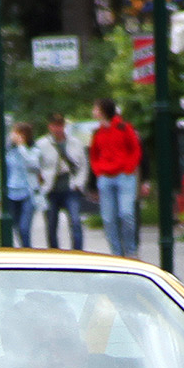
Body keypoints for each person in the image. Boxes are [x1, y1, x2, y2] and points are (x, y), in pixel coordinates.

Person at [88, 97, 142, 258]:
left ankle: (131, 250)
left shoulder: (124, 128)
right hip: (105, 178)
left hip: (124, 177)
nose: (93, 111)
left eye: (95, 108)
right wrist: (98, 170)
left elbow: (135, 149)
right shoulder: (98, 132)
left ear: (103, 110)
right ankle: (116, 254)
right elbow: (94, 154)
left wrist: (128, 168)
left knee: (126, 214)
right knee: (108, 219)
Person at [33, 113, 86, 250]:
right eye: (55, 126)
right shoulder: (42, 144)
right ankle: (54, 252)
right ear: (50, 127)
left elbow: (83, 165)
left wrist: (79, 183)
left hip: (70, 186)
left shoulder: (75, 143)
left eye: (60, 125)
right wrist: (41, 183)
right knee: (51, 223)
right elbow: (36, 166)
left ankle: (78, 252)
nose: (58, 129)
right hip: (51, 188)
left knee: (75, 221)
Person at [0, 121, 38, 247]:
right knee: (15, 228)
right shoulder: (9, 151)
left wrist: (22, 146)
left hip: (28, 193)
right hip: (11, 193)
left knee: (24, 228)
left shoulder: (33, 151)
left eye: (17, 133)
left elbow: (33, 164)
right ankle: (22, 252)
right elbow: (1, 172)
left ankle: (28, 253)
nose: (13, 136)